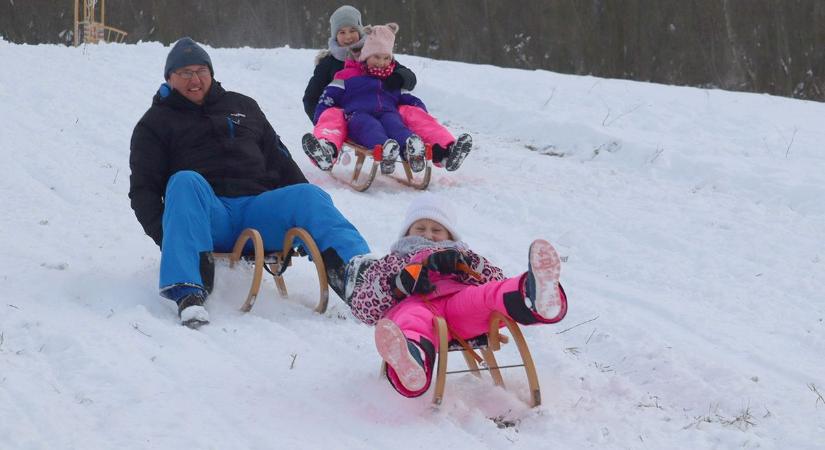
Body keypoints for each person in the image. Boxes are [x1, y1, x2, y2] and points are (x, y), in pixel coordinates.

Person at [129, 37, 373, 328]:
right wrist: (171, 237)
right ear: (169, 77)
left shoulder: (243, 106)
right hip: (208, 215)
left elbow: (280, 160)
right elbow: (143, 190)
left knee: (308, 195)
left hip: (257, 209)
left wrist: (293, 217)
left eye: (201, 71)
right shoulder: (155, 123)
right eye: (184, 73)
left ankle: (361, 275)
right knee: (184, 181)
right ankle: (188, 293)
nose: (194, 79)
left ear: (211, 73)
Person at [347, 193, 569, 397]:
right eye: (420, 228)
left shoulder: (462, 255)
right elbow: (362, 307)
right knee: (410, 319)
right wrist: (397, 284)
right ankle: (413, 358)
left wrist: (466, 263)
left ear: (449, 234)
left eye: (437, 230)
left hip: (459, 306)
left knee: (486, 295)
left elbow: (494, 278)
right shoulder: (392, 261)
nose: (429, 235)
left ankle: (530, 296)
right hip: (417, 306)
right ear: (407, 232)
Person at [301, 6, 471, 174]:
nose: (348, 37)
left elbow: (408, 76)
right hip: (349, 114)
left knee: (410, 112)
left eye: (352, 30)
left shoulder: (376, 53)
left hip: (385, 108)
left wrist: (398, 78)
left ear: (361, 30)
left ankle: (445, 151)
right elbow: (311, 98)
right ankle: (325, 149)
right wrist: (321, 122)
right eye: (342, 32)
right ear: (334, 35)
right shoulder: (329, 65)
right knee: (334, 114)